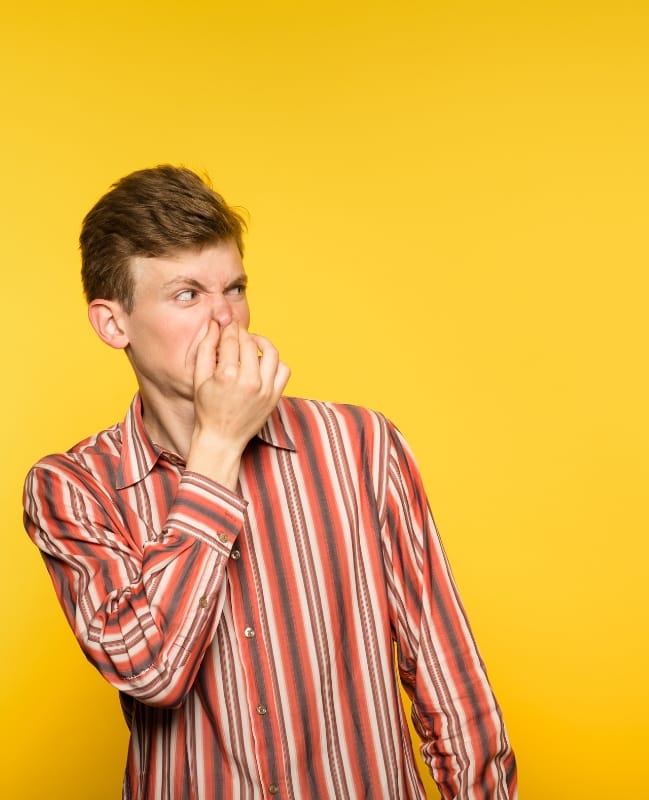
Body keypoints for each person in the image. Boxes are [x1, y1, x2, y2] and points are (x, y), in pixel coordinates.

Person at [22, 165, 518, 800]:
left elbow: (452, 685)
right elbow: (149, 670)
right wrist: (220, 444)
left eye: (234, 288)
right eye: (186, 295)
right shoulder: (72, 490)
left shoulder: (360, 446)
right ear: (113, 324)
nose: (225, 319)